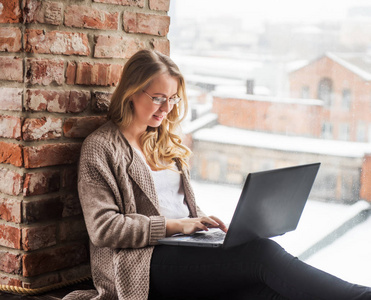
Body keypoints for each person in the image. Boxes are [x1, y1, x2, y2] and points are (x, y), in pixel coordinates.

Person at [63, 49, 371, 300]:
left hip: (183, 249)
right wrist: (175, 226)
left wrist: (205, 225)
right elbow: (104, 229)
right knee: (262, 254)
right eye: (158, 97)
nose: (166, 108)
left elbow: (176, 205)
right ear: (131, 92)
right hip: (142, 264)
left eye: (172, 99)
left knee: (265, 290)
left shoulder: (162, 141)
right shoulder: (102, 147)